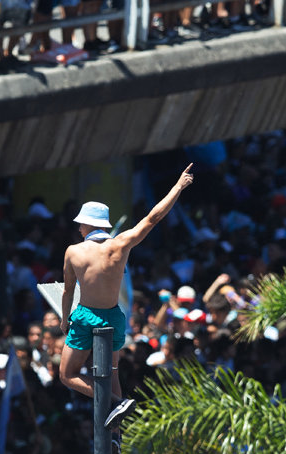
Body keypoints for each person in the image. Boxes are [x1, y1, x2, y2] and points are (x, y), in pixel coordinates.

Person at [59, 163, 193, 430]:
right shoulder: (121, 243)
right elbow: (152, 218)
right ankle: (117, 426)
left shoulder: (73, 251)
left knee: (66, 375)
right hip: (113, 316)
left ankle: (113, 401)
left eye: (80, 224)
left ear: (87, 224)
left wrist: (65, 321)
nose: (78, 229)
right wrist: (178, 187)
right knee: (114, 371)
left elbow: (68, 290)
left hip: (86, 316)